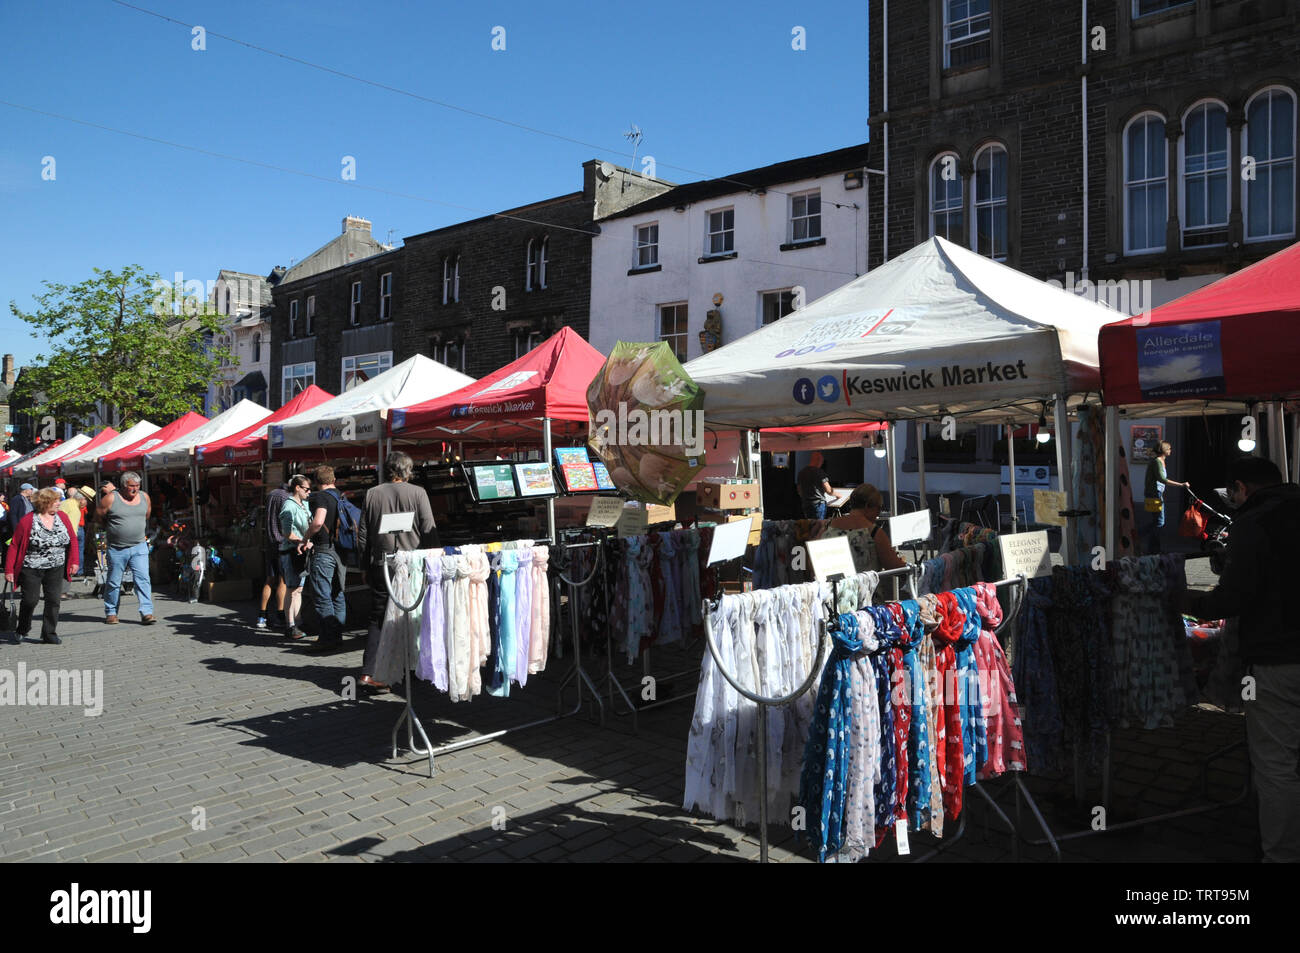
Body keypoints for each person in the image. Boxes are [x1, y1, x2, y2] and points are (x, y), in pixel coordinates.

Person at [1184, 456, 1299, 863]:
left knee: (1276, 761)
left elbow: (1231, 598)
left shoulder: (1254, 523)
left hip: (1278, 657)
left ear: (1240, 488)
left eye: (1230, 492)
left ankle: (1283, 855)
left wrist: (1186, 599)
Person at [356, 452, 438, 690]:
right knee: (412, 615)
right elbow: (429, 529)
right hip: (412, 565)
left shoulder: (372, 494)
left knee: (379, 617)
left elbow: (362, 534)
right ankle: (411, 667)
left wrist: (363, 564)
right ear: (407, 470)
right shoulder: (418, 493)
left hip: (381, 565)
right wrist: (435, 558)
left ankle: (368, 671)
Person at [5, 488, 78, 644]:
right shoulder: (27, 520)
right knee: (30, 600)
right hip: (31, 567)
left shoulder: (62, 517)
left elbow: (72, 540)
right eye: (56, 501)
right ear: (45, 503)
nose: (59, 503)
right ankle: (23, 628)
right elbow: (15, 545)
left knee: (53, 600)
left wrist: (74, 561)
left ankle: (49, 633)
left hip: (56, 566)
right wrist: (9, 569)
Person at [96, 471, 156, 625]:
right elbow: (98, 516)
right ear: (123, 486)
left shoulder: (145, 497)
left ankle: (147, 612)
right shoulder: (110, 498)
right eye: (131, 486)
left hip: (139, 546)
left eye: (137, 486)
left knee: (143, 579)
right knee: (114, 582)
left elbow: (147, 516)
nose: (135, 489)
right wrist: (111, 530)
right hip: (117, 548)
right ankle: (111, 612)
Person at [303, 465, 348, 650]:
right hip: (340, 551)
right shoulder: (340, 495)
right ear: (333, 480)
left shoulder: (320, 497)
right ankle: (337, 635)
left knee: (322, 595)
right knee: (337, 594)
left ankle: (328, 639)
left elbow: (319, 521)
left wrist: (306, 537)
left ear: (316, 481)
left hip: (324, 550)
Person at [823, 483, 908, 573]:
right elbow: (894, 567)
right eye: (878, 508)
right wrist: (903, 562)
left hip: (834, 585)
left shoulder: (827, 526)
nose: (878, 514)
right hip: (862, 586)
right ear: (868, 506)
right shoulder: (874, 533)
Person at [277, 474, 313, 640]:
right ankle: (290, 625)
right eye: (306, 489)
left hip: (302, 551)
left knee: (299, 589)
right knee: (292, 589)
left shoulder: (305, 503)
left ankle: (298, 622)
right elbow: (286, 532)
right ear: (297, 488)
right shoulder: (288, 506)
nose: (309, 492)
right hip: (291, 551)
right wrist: (301, 540)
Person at [1142, 441, 1186, 554]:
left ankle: (1148, 544)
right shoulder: (1157, 462)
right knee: (1160, 522)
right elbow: (1162, 479)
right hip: (1154, 494)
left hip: (1156, 493)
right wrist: (1181, 485)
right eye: (1169, 448)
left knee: (1157, 521)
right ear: (1164, 450)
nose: (1171, 450)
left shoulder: (1160, 461)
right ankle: (1152, 547)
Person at [257, 483, 290, 630]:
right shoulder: (286, 497)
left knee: (269, 580)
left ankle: (262, 615)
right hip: (282, 543)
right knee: (282, 581)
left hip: (270, 542)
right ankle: (280, 614)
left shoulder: (271, 494)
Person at [796, 451, 847, 520]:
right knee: (819, 526)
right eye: (821, 461)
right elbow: (829, 490)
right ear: (818, 460)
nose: (821, 464)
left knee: (810, 525)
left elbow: (799, 490)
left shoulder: (802, 472)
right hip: (818, 504)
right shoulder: (819, 472)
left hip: (806, 504)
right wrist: (839, 495)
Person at [57, 486, 86, 596]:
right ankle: (62, 592)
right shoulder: (75, 509)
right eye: (86, 500)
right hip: (65, 540)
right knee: (66, 566)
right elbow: (72, 531)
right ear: (82, 499)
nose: (86, 503)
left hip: (58, 537)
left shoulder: (66, 502)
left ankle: (56, 592)